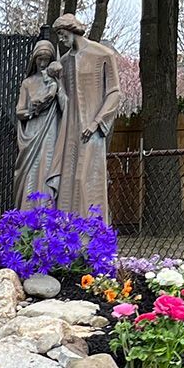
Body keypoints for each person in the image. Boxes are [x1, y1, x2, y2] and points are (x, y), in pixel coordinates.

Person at [49, 13, 126, 221]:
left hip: (92, 131)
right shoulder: (64, 61)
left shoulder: (102, 54)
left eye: (62, 34)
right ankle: (66, 235)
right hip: (69, 130)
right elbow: (64, 100)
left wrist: (96, 123)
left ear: (73, 30)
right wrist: (57, 82)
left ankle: (92, 238)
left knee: (86, 180)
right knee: (67, 181)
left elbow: (115, 93)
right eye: (58, 35)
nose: (61, 39)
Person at [14, 39, 64, 210]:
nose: (42, 64)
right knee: (30, 172)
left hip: (51, 129)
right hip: (33, 130)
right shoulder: (27, 83)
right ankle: (28, 213)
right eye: (39, 59)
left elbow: (65, 106)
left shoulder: (55, 83)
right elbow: (19, 111)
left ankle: (47, 214)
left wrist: (56, 88)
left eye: (46, 59)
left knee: (47, 167)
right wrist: (31, 111)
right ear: (34, 60)